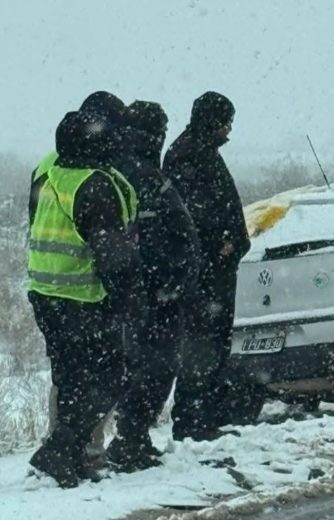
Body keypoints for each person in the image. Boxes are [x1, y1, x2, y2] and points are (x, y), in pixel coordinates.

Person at [27, 110, 142, 488]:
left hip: (45, 293)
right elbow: (113, 256)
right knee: (112, 375)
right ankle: (59, 449)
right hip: (82, 297)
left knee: (72, 378)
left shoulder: (49, 171)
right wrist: (127, 301)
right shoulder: (95, 185)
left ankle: (66, 453)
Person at [106, 101, 201, 470]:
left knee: (136, 365)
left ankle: (131, 437)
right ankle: (130, 438)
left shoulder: (116, 169)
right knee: (157, 365)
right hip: (156, 290)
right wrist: (174, 279)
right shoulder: (145, 174)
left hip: (133, 289)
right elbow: (172, 233)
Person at [163, 91, 251, 441]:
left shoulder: (200, 152)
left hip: (214, 270)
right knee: (201, 345)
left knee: (213, 344)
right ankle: (193, 420)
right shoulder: (188, 154)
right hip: (205, 273)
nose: (229, 130)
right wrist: (222, 242)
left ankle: (207, 417)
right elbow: (193, 216)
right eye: (226, 122)